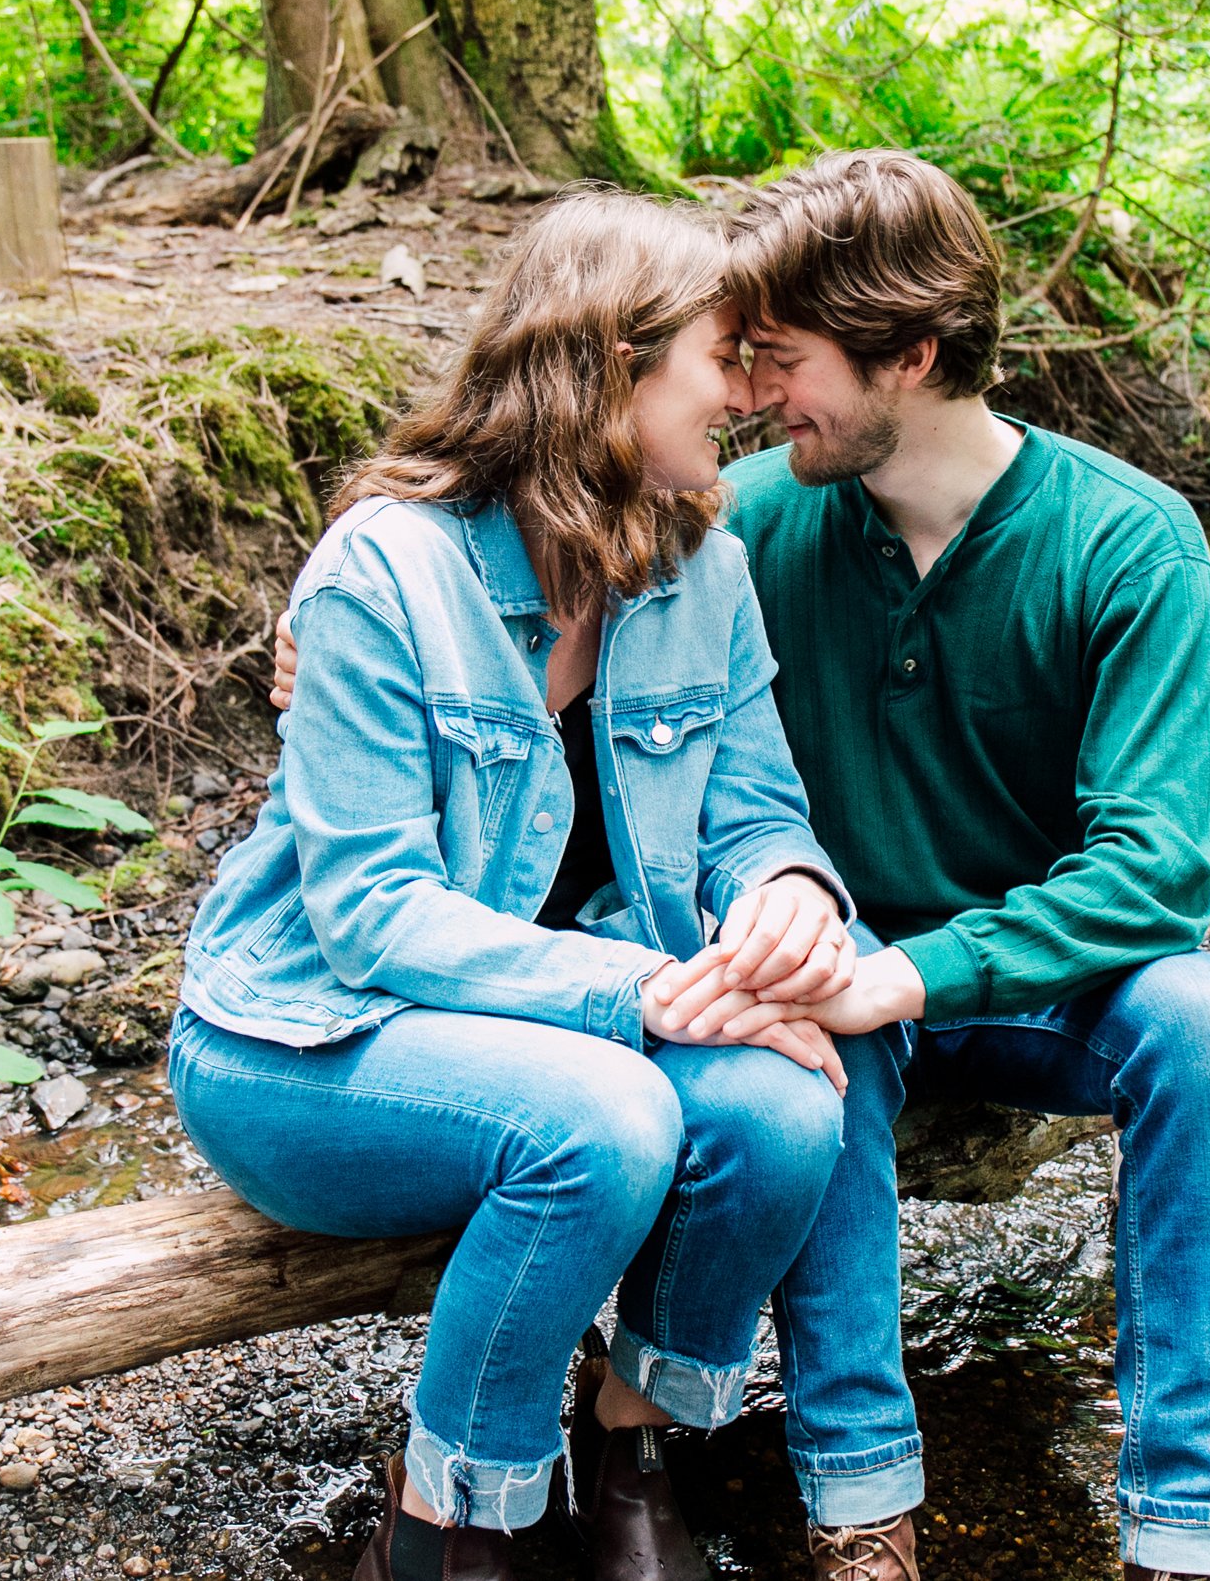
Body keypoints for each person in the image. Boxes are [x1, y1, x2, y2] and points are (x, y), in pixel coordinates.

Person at [273, 152, 1210, 1581]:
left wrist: (899, 969)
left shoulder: (1126, 541)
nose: (747, 394)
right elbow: (527, 572)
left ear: (910, 357)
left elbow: (1160, 875)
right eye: (732, 360)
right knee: (818, 1042)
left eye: (777, 361)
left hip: (1035, 981)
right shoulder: (745, 523)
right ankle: (861, 1505)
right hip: (819, 976)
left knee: (1202, 1016)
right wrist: (317, 638)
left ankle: (1184, 1531)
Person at [180, 189, 865, 1581]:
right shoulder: (387, 571)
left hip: (582, 1019)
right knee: (605, 1122)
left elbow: (755, 809)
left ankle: (630, 1439)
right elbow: (373, 913)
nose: (743, 394)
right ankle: (447, 1529)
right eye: (722, 356)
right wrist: (663, 994)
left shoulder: (705, 564)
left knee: (791, 1112)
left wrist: (788, 894)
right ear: (616, 364)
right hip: (310, 1034)